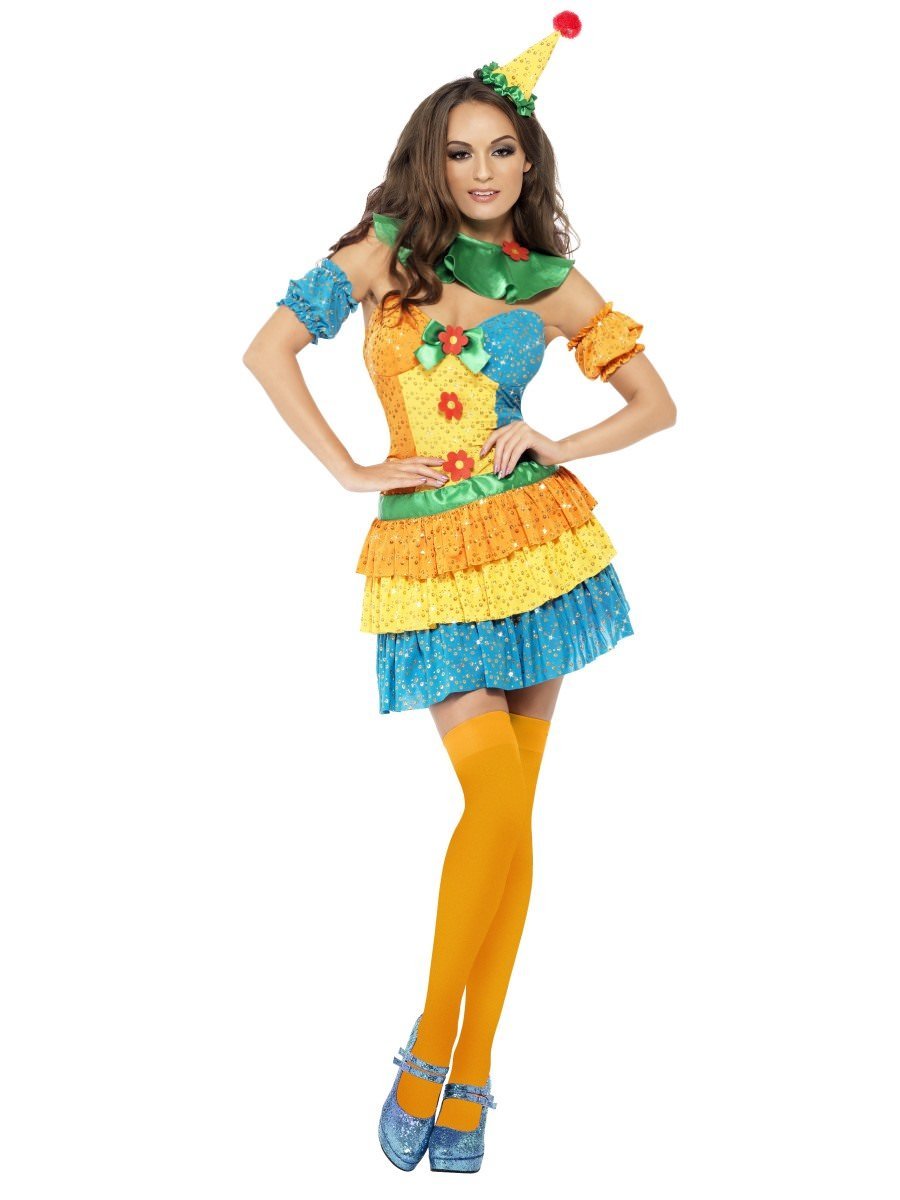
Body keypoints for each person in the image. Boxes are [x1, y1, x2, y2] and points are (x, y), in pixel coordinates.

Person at [242, 10, 676, 1174]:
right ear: (429, 160)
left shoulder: (548, 280)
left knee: (510, 810)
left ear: (530, 163)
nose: (483, 171)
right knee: (494, 798)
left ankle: (458, 1059)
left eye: (503, 150)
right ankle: (447, 1051)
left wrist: (555, 442)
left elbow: (657, 403)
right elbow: (268, 350)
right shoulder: (383, 253)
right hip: (426, 555)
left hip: (536, 546)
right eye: (460, 151)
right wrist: (349, 469)